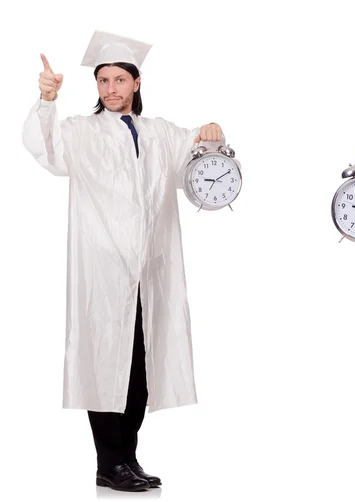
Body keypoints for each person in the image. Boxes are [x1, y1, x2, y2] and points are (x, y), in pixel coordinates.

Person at [22, 31, 225, 492]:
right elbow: (44, 147)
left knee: (140, 366)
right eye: (102, 81)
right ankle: (108, 461)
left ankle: (126, 457)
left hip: (150, 270)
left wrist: (211, 130)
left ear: (136, 82)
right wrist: (46, 100)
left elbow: (198, 157)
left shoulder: (159, 133)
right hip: (102, 269)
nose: (110, 88)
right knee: (105, 363)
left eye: (119, 79)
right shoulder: (80, 130)